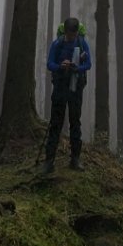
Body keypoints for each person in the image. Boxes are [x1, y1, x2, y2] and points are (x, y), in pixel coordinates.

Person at [41, 16, 91, 174]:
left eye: (74, 35)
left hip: (76, 88)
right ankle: (49, 161)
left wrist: (78, 68)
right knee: (56, 123)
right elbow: (50, 64)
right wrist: (60, 66)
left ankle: (75, 159)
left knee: (75, 122)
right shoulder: (58, 44)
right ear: (65, 32)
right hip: (60, 88)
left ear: (77, 32)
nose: (71, 38)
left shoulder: (82, 43)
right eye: (69, 35)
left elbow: (88, 64)